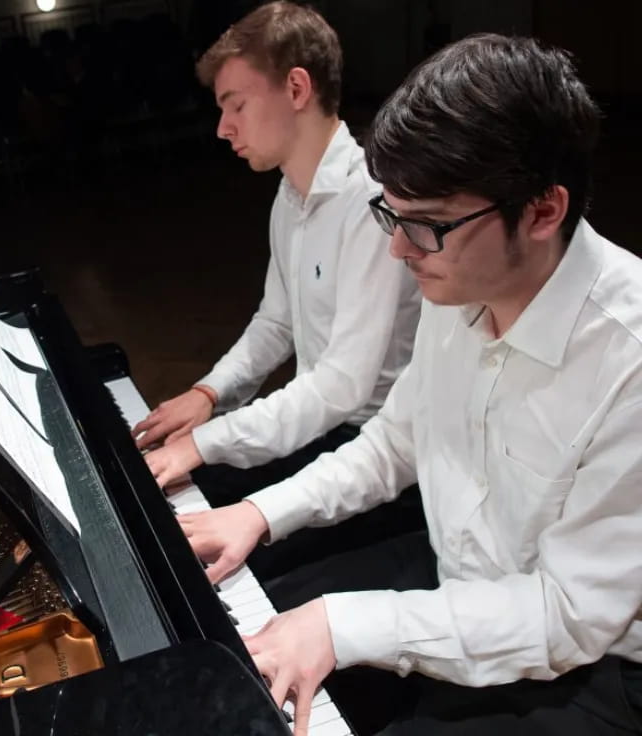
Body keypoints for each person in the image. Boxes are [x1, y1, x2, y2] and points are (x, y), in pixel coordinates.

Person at [179, 33, 642, 736]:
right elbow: (395, 441)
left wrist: (349, 624)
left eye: (424, 227)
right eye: (389, 214)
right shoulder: (457, 283)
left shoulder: (628, 356)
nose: (397, 250)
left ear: (543, 212)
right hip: (460, 577)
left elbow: (566, 616)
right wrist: (259, 513)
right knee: (237, 648)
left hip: (594, 665)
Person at [131, 2, 421, 511]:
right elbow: (277, 322)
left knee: (190, 524)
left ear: (296, 89)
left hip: (375, 450)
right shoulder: (289, 195)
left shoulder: (370, 203)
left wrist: (208, 441)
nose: (223, 128)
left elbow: (342, 387)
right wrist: (210, 393)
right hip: (318, 421)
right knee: (156, 495)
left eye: (235, 105)